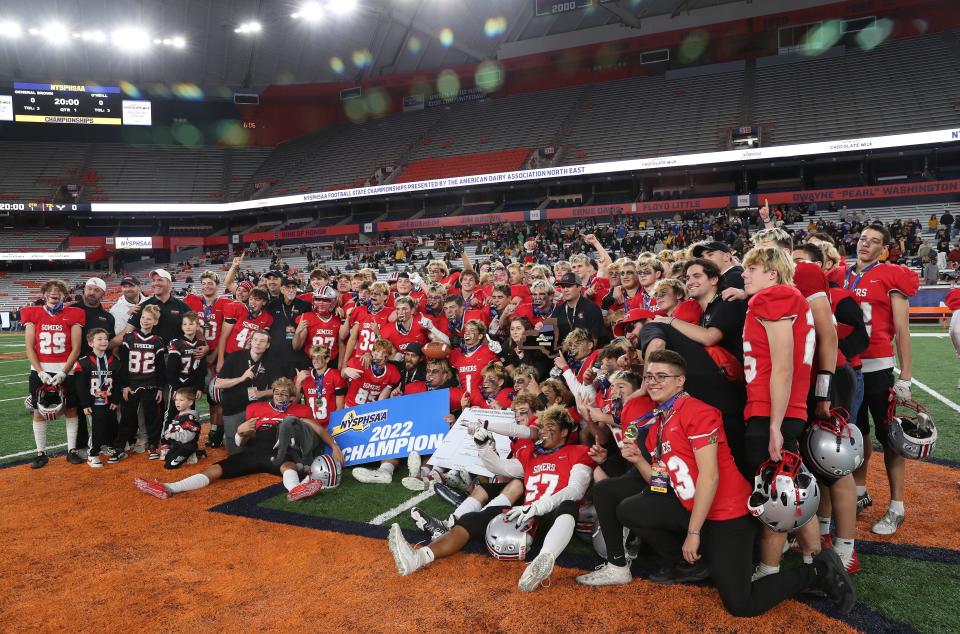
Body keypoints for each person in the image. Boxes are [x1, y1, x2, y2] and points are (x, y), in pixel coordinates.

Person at [577, 350, 856, 617]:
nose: (653, 382)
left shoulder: (698, 412)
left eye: (662, 376)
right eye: (649, 376)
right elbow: (661, 484)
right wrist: (639, 461)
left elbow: (711, 476)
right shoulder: (659, 423)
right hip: (696, 508)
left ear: (680, 381)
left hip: (727, 514)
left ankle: (819, 571)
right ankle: (691, 564)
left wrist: (694, 532)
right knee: (630, 508)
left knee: (741, 604)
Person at [387, 405, 594, 592]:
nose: (543, 431)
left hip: (552, 518)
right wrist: (483, 446)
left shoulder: (579, 452)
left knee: (568, 505)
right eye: (542, 427)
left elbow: (576, 489)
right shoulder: (532, 458)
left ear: (565, 431)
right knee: (472, 520)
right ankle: (418, 558)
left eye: (551, 426)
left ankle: (542, 562)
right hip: (526, 516)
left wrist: (539, 507)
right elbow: (498, 467)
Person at [134, 378, 342, 502]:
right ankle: (170, 487)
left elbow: (315, 427)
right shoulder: (257, 408)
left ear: (291, 396)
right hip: (253, 450)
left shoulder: (300, 410)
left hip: (280, 451)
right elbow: (243, 440)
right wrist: (241, 432)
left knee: (287, 465)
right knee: (216, 469)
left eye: (284, 393)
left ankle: (295, 490)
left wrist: (334, 446)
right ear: (273, 394)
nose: (280, 396)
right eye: (277, 392)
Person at [845, 224, 920, 534]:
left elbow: (902, 330)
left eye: (874, 241)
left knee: (891, 436)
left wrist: (906, 375)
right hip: (849, 367)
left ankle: (897, 506)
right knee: (857, 432)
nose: (866, 244)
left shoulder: (891, 275)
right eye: (863, 238)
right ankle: (860, 491)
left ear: (884, 249)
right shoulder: (842, 273)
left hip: (878, 368)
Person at [214, 329, 283, 454]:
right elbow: (218, 383)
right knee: (235, 452)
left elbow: (279, 389)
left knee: (260, 450)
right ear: (250, 341)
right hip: (233, 407)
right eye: (255, 340)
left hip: (257, 408)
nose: (258, 343)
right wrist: (241, 378)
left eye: (262, 341)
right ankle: (229, 437)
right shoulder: (235, 357)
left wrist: (261, 393)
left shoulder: (272, 362)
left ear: (267, 345)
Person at [117, 304, 167, 460]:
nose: (145, 321)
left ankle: (152, 445)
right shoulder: (129, 338)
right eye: (144, 317)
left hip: (150, 383)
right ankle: (120, 445)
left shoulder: (158, 341)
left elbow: (160, 367)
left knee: (151, 417)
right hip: (131, 384)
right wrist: (124, 385)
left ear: (155, 322)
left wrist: (160, 387)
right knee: (127, 417)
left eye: (149, 319)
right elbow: (123, 364)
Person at [72, 327, 124, 468]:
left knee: (111, 423)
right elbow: (80, 386)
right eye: (99, 339)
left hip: (108, 398)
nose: (104, 341)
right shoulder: (84, 361)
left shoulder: (114, 360)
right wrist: (85, 404)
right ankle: (92, 454)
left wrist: (115, 400)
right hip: (93, 400)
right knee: (97, 426)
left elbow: (118, 382)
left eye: (106, 339)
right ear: (90, 343)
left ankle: (106, 446)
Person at [163, 312, 207, 434]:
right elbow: (171, 369)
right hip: (178, 382)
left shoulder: (201, 344)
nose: (188, 326)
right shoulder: (176, 343)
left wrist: (199, 387)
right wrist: (176, 387)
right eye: (185, 324)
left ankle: (187, 439)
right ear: (181, 326)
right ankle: (166, 439)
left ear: (197, 326)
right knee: (172, 412)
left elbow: (201, 369)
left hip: (192, 383)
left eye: (191, 324)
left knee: (189, 412)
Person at [551, 272, 607, 344]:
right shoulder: (558, 310)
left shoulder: (592, 309)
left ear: (579, 287)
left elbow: (594, 341)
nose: (565, 290)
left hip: (587, 353)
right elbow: (548, 337)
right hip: (562, 352)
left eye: (569, 286)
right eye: (562, 286)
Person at [160, 387, 203, 469]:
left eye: (181, 400)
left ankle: (193, 453)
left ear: (190, 402)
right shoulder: (179, 415)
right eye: (176, 400)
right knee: (167, 458)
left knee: (169, 465)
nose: (177, 403)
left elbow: (188, 437)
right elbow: (173, 427)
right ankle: (195, 453)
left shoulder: (189, 417)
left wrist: (172, 435)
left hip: (187, 446)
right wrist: (167, 432)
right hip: (179, 444)